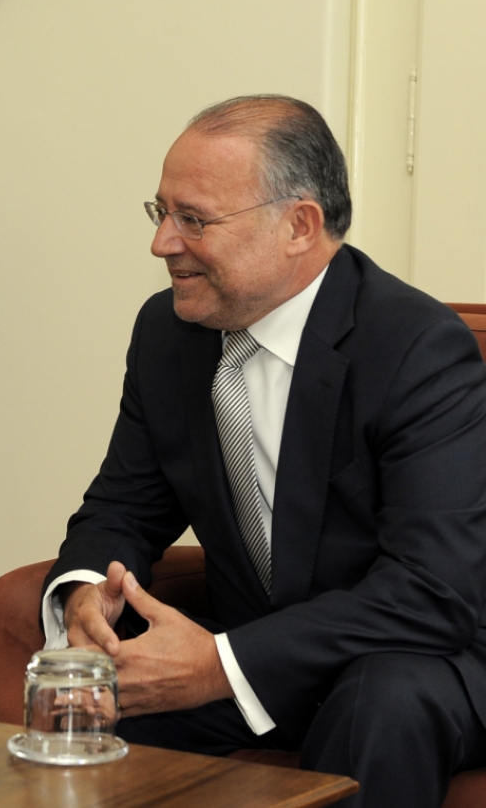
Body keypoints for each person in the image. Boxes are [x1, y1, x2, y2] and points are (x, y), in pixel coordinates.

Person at [44, 95, 486, 808]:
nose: (163, 244)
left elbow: (431, 594)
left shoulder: (414, 348)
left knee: (385, 697)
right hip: (266, 657)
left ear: (298, 225)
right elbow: (124, 504)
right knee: (89, 711)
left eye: (195, 219)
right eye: (161, 213)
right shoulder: (169, 333)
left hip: (428, 653)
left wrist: (221, 663)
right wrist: (86, 593)